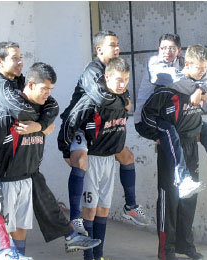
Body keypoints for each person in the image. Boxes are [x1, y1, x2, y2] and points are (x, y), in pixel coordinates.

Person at [0, 42, 100, 259]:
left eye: (21, 57)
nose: (20, 61)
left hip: (10, 157)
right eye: (14, 58)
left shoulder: (22, 82)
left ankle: (69, 235)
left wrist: (42, 126)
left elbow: (52, 105)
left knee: (38, 188)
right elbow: (20, 109)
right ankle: (5, 251)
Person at [58, 31, 150, 235]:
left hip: (105, 128)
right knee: (81, 161)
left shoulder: (117, 70)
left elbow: (125, 105)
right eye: (112, 45)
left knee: (126, 156)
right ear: (99, 49)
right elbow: (102, 99)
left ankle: (131, 206)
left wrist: (124, 103)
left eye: (118, 44)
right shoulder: (93, 70)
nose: (117, 48)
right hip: (83, 126)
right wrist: (123, 102)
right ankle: (75, 220)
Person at [135, 33, 207, 192]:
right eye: (163, 48)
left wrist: (200, 89)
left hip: (172, 117)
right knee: (169, 132)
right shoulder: (155, 63)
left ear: (179, 50)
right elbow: (172, 81)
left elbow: (204, 75)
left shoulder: (186, 63)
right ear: (159, 49)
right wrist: (201, 91)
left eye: (172, 48)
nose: (167, 52)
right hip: (148, 118)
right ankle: (182, 180)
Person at [141, 45, 207, 260]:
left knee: (189, 197)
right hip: (171, 150)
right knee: (169, 199)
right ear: (187, 64)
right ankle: (166, 250)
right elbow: (147, 114)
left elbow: (196, 112)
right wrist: (160, 135)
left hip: (191, 148)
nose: (202, 72)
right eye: (199, 67)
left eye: (205, 68)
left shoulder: (200, 87)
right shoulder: (167, 89)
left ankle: (185, 245)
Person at [59, 57, 130, 260]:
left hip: (109, 160)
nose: (122, 84)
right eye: (117, 79)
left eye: (125, 79)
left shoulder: (122, 99)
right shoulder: (92, 99)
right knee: (89, 211)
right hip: (93, 159)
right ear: (106, 77)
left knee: (103, 210)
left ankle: (99, 256)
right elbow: (70, 121)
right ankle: (88, 257)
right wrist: (66, 150)